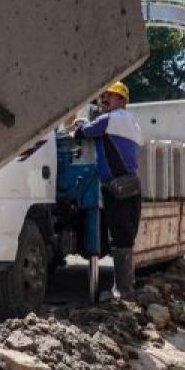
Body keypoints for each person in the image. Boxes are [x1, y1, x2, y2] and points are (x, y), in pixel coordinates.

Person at [74, 81, 143, 296]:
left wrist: (79, 122)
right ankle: (126, 288)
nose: (104, 99)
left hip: (116, 187)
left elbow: (81, 134)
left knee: (119, 239)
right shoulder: (134, 124)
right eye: (102, 96)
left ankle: (122, 290)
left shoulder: (109, 119)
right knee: (127, 238)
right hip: (132, 185)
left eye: (110, 96)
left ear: (122, 100)